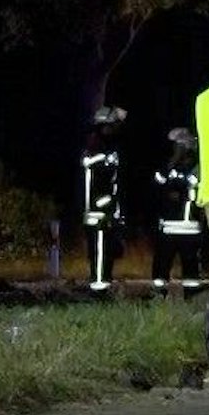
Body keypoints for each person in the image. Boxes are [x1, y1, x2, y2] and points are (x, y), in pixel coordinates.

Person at [151, 126, 207, 298]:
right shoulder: (168, 167)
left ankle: (191, 295)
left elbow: (191, 188)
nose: (176, 150)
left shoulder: (197, 168)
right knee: (161, 264)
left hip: (189, 227)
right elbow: (158, 183)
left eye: (179, 146)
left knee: (190, 266)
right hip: (168, 227)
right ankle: (158, 294)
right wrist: (172, 162)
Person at [80, 105, 127, 294]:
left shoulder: (108, 146)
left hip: (106, 209)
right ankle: (98, 288)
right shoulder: (95, 144)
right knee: (100, 251)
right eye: (114, 124)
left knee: (107, 251)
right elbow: (91, 167)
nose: (116, 128)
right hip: (97, 210)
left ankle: (104, 285)